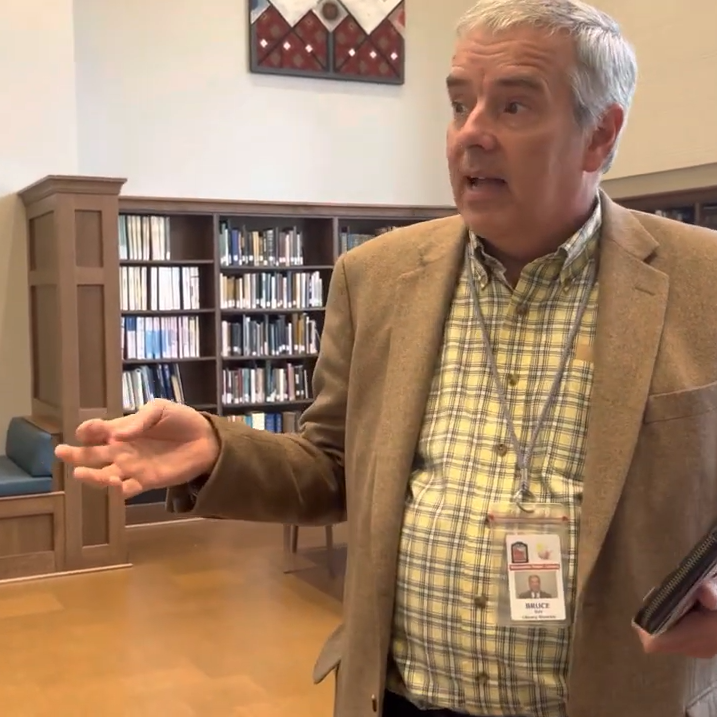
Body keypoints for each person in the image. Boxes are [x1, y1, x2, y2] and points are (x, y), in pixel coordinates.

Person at [55, 0, 717, 715]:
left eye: (514, 106)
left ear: (600, 134)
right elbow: (335, 466)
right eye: (459, 104)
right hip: (401, 695)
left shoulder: (701, 283)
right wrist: (219, 450)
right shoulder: (375, 277)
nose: (470, 134)